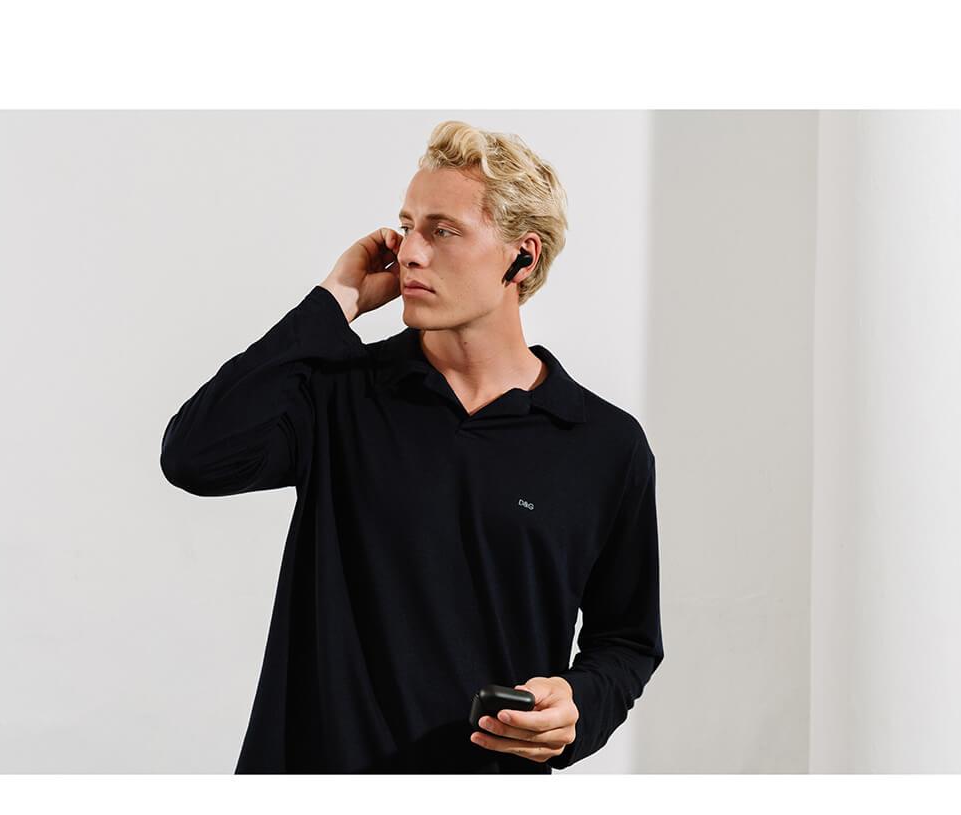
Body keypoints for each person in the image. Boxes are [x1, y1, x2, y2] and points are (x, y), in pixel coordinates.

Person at [160, 120, 663, 774]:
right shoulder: (340, 394)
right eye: (407, 226)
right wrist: (334, 302)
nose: (410, 253)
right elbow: (195, 456)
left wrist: (578, 705)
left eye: (443, 231)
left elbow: (626, 641)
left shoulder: (603, 445)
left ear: (523, 257)